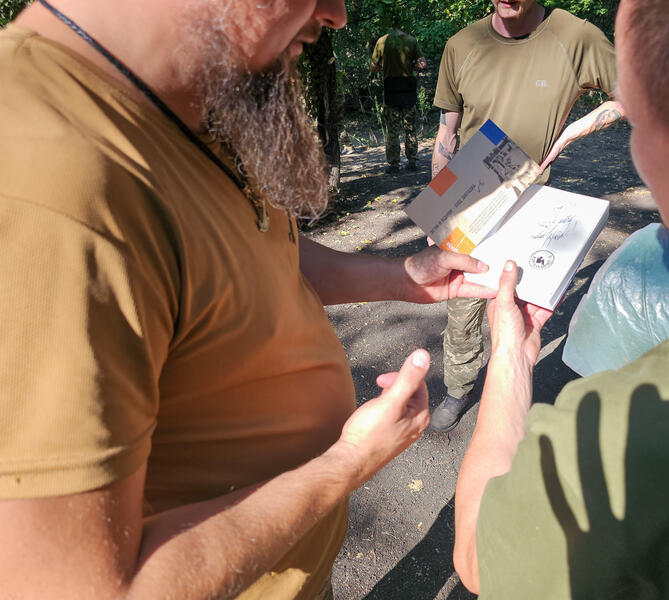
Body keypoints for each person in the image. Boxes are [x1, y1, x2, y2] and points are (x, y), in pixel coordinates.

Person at [0, 1, 495, 598]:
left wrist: (402, 277)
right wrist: (347, 464)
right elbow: (86, 587)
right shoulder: (44, 178)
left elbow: (258, 247)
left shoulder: (189, 92)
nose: (336, 14)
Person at [453, 0, 669, 597]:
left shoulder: (629, 436)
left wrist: (510, 353)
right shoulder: (462, 45)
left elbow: (479, 554)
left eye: (638, 123)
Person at [429, 0, 625, 432]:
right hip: (468, 196)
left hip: (533, 201)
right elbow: (448, 131)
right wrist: (436, 210)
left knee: (515, 308)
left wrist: (571, 132)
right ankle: (459, 387)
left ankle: (506, 399)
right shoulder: (462, 44)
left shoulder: (574, 36)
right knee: (462, 302)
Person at [371, 28, 426, 173]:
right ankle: (412, 160)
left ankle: (394, 164)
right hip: (408, 88)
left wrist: (385, 68)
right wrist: (411, 65)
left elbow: (373, 67)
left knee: (392, 130)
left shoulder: (382, 41)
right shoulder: (411, 40)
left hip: (391, 88)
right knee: (410, 128)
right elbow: (422, 64)